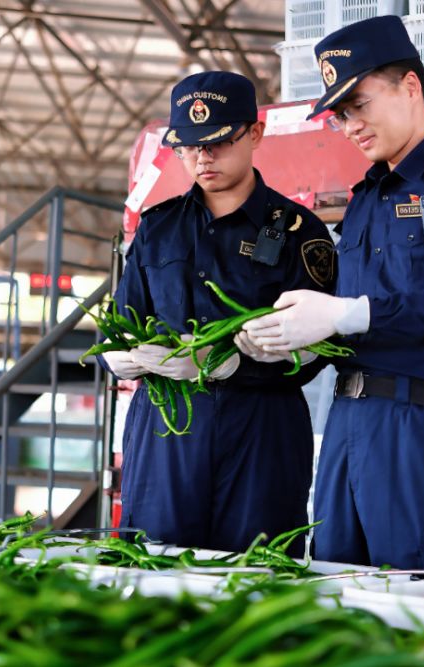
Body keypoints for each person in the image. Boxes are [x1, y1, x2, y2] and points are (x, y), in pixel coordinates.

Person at [242, 16, 424, 576]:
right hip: (346, 423)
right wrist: (290, 342)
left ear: (410, 86)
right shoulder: (365, 198)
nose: (350, 126)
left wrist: (346, 313)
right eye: (340, 115)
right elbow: (348, 323)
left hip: (420, 426)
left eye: (359, 105)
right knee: (339, 591)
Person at [101, 71, 336, 554]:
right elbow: (126, 320)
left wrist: (232, 363)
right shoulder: (157, 230)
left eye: (218, 142)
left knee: (258, 570)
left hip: (261, 428)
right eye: (189, 147)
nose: (202, 158)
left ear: (255, 134)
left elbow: (321, 347)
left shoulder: (300, 232)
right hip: (167, 425)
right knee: (156, 563)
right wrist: (117, 356)